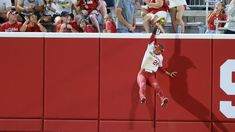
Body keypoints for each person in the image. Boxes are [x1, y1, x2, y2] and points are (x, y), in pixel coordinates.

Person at [137, 26, 177, 106]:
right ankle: (142, 98)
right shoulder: (150, 48)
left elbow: (160, 68)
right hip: (143, 72)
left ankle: (163, 99)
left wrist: (168, 73)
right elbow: (151, 38)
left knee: (156, 86)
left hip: (151, 74)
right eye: (156, 48)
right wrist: (155, 28)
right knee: (142, 85)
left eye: (157, 49)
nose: (155, 49)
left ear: (160, 51)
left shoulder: (160, 57)